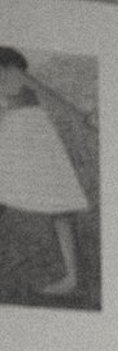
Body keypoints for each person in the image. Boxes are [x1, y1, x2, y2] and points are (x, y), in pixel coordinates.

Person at [0, 44, 89, 299]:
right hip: (12, 140)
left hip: (36, 138)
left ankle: (72, 277)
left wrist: (80, 117)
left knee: (59, 205)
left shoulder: (15, 73)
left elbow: (52, 96)